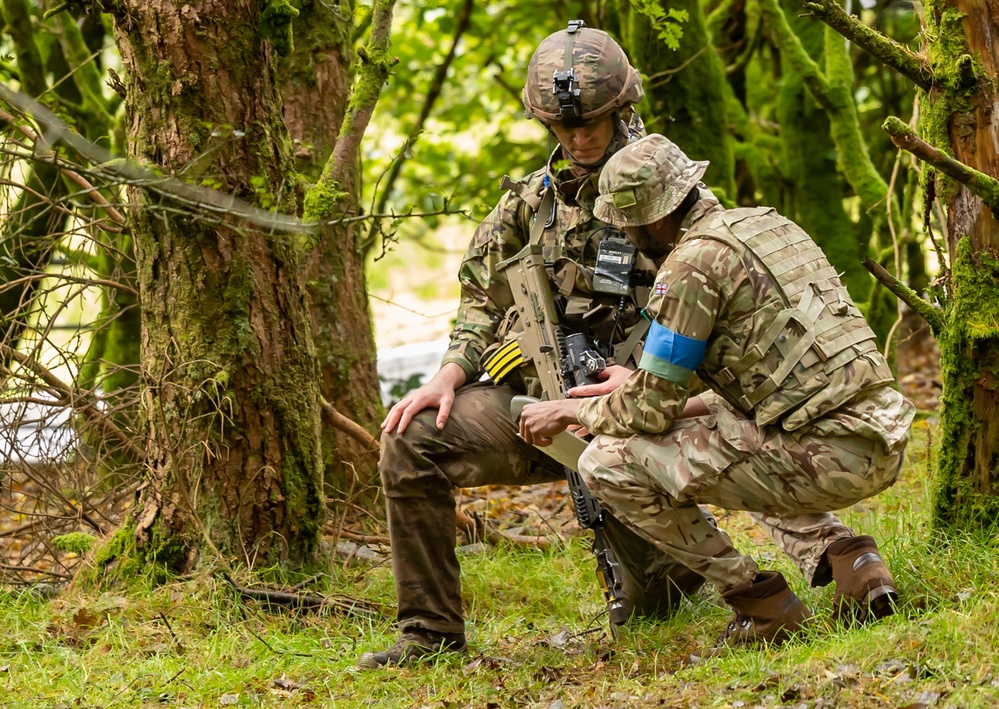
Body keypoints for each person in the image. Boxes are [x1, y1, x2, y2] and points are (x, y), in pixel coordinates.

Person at [519, 133, 915, 647]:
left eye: (627, 226)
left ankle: (761, 604)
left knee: (606, 463)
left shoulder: (689, 267)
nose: (628, 238)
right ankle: (852, 564)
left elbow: (646, 411)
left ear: (650, 219)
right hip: (879, 430)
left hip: (832, 453)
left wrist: (571, 412)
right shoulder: (769, 226)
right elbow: (768, 382)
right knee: (719, 438)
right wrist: (646, 389)